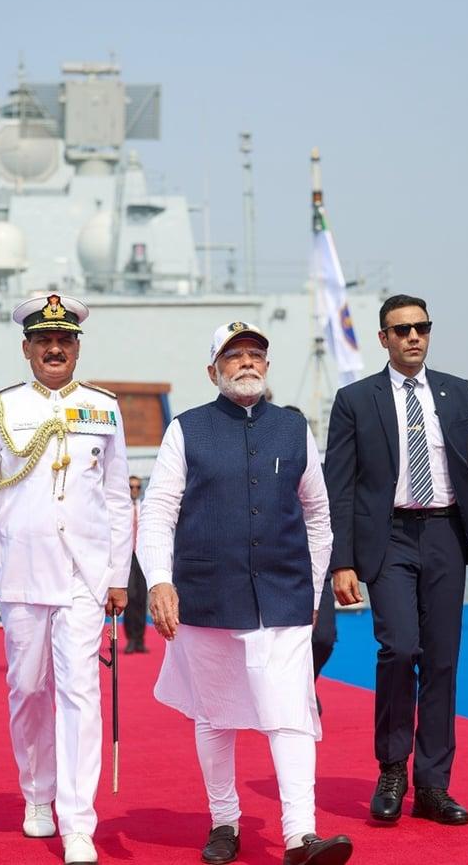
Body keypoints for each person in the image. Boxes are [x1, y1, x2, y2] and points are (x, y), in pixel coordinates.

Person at [138, 321, 353, 865]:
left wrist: (311, 588)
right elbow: (157, 513)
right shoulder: (186, 430)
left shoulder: (292, 427)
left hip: (283, 596)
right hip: (205, 597)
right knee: (215, 716)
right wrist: (160, 580)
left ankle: (301, 834)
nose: (247, 362)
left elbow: (319, 514)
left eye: (256, 353)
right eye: (234, 356)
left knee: (291, 712)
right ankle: (224, 821)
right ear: (213, 370)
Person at [324, 293, 468, 827]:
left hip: (447, 535)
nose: (413, 336)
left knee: (441, 659)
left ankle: (433, 785)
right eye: (401, 329)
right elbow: (339, 488)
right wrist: (342, 561)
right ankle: (392, 768)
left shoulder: (457, 394)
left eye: (421, 327)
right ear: (383, 338)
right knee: (398, 646)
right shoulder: (355, 401)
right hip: (388, 539)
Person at [0, 293, 132, 865]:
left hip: (83, 576)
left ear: (77, 348)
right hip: (22, 573)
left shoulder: (103, 408)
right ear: (27, 348)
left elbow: (115, 497)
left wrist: (117, 573)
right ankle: (37, 794)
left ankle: (78, 821)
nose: (55, 348)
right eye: (44, 341)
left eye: (65, 340)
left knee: (81, 693)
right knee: (28, 688)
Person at [283, 406, 337, 712]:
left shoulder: (322, 471)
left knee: (324, 638)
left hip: (316, 567)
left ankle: (306, 683)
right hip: (273, 567)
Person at [123, 475, 149, 654]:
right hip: (127, 556)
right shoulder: (120, 508)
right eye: (131, 487)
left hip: (142, 555)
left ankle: (140, 639)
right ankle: (131, 638)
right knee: (130, 596)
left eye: (137, 487)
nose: (134, 490)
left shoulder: (145, 508)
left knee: (141, 598)